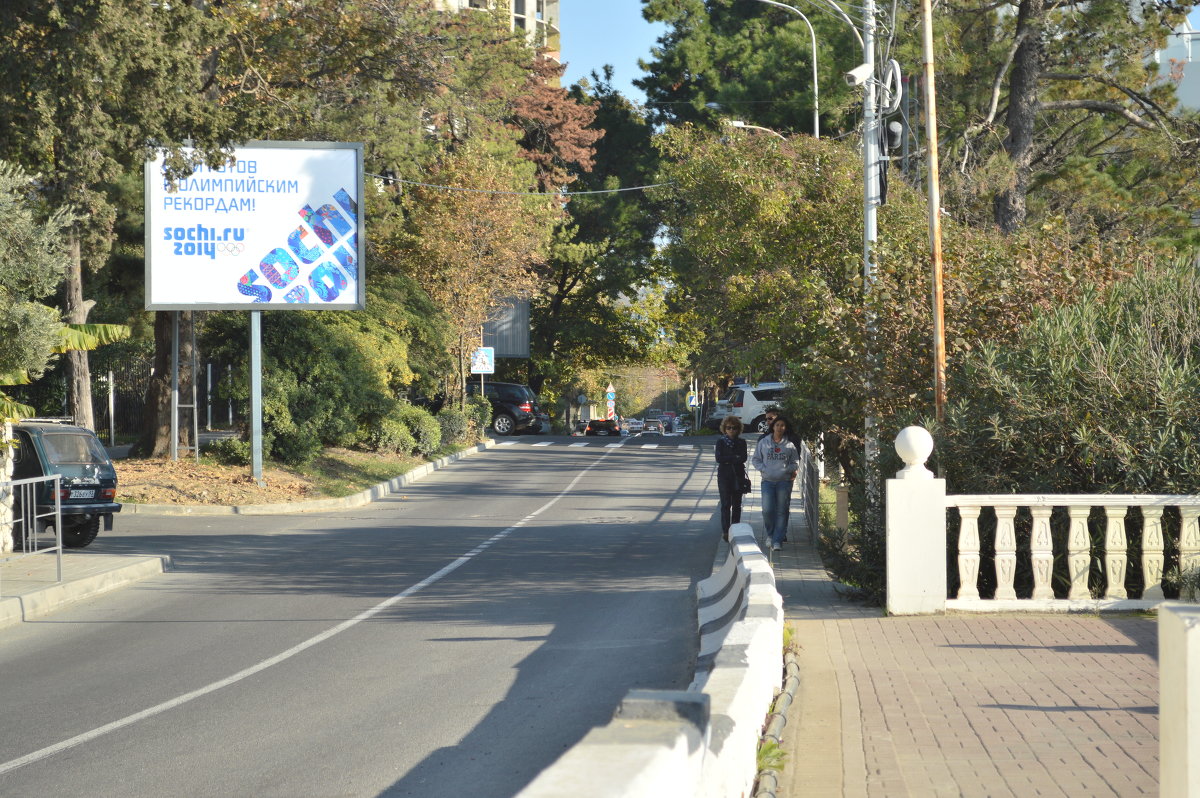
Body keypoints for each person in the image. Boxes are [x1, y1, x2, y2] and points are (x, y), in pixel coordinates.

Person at [751, 415, 801, 551]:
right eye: (777, 425)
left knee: (782, 511)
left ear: (785, 428)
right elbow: (755, 459)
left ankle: (777, 540)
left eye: (782, 425)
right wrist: (763, 469)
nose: (780, 427)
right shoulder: (763, 442)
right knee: (767, 510)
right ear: (772, 427)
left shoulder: (789, 445)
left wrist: (787, 470)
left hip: (784, 482)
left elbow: (795, 462)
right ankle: (771, 535)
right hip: (767, 481)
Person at [714, 416, 748, 541]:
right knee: (725, 504)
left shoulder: (741, 442)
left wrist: (729, 458)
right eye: (729, 428)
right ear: (724, 429)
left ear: (738, 429)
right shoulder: (721, 442)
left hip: (738, 475)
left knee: (737, 504)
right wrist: (734, 457)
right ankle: (726, 531)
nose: (731, 430)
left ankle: (735, 529)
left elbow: (743, 458)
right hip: (724, 475)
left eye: (734, 428)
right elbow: (719, 459)